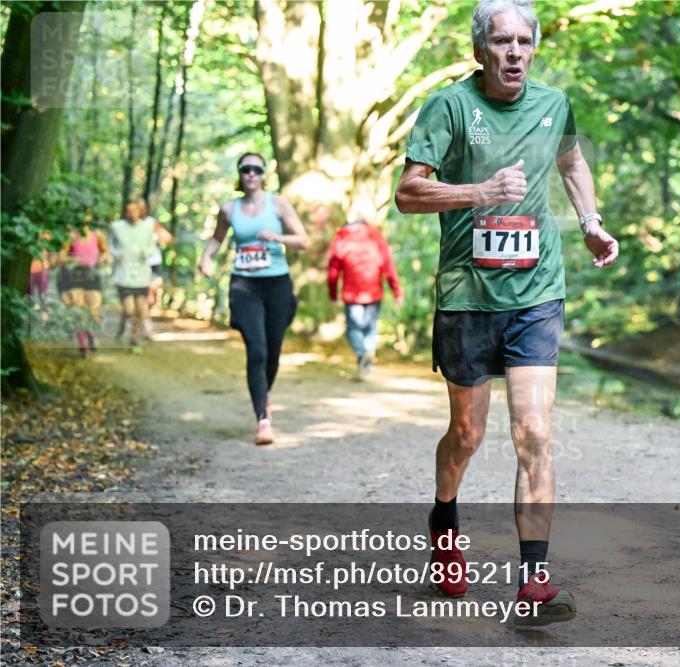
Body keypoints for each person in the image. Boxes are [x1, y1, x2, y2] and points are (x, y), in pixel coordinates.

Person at [394, 0, 618, 625]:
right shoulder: (449, 107)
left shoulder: (554, 104)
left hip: (536, 292)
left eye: (524, 40)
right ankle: (444, 517)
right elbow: (409, 192)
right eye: (501, 41)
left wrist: (591, 224)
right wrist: (480, 193)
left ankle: (534, 580)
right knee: (467, 435)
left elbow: (571, 162)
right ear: (480, 50)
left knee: (534, 432)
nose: (514, 51)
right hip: (468, 295)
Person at [199, 152, 309, 445]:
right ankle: (263, 419)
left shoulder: (278, 204)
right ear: (240, 174)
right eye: (245, 169)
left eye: (256, 169)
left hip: (277, 286)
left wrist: (279, 238)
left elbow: (304, 240)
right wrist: (206, 258)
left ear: (263, 175)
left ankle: (264, 394)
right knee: (257, 350)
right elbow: (217, 238)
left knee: (272, 352)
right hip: (244, 286)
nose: (250, 174)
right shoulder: (228, 208)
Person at [326, 200, 403, 380]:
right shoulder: (376, 235)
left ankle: (362, 354)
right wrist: (396, 291)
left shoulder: (342, 236)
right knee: (370, 328)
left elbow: (333, 269)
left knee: (353, 328)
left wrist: (332, 293)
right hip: (373, 290)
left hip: (352, 293)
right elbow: (388, 265)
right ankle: (367, 359)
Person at [57, 215, 108, 356]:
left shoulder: (97, 235)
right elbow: (61, 257)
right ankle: (83, 345)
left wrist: (101, 259)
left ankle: (90, 333)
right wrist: (74, 258)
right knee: (79, 312)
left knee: (93, 313)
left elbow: (105, 252)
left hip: (92, 276)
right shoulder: (70, 237)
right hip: (75, 276)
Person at [110, 202, 158, 352]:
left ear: (140, 211)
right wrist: (116, 254)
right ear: (125, 212)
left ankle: (134, 338)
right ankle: (122, 326)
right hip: (123, 275)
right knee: (129, 309)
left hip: (142, 275)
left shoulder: (147, 228)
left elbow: (152, 247)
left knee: (141, 310)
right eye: (128, 210)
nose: (132, 213)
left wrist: (146, 252)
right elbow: (109, 245)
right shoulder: (117, 227)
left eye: (134, 210)